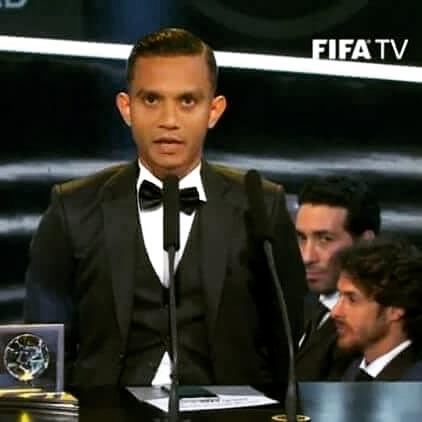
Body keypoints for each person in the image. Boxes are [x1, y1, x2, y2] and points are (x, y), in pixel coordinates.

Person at [24, 28, 306, 387]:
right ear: (126, 108)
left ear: (213, 110)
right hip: (104, 408)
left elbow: (286, 335)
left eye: (187, 101)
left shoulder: (261, 204)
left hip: (231, 410)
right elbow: (43, 346)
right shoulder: (73, 207)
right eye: (151, 100)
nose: (168, 120)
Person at [294, 175, 380, 380]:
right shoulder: (308, 308)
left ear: (365, 243)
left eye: (325, 239)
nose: (306, 257)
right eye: (302, 238)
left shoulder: (372, 328)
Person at [331, 239, 422, 381]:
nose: (335, 312)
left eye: (352, 299)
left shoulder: (413, 381)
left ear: (395, 309)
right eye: (339, 296)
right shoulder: (351, 369)